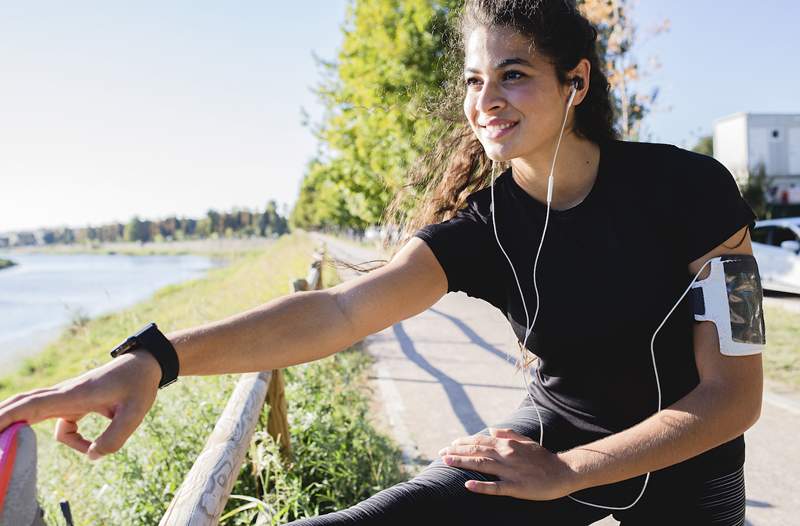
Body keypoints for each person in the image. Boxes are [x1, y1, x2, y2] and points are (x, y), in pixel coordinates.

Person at [0, 1, 763, 524]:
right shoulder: (482, 228)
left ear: (578, 82)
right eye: (473, 79)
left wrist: (572, 472)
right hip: (548, 441)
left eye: (515, 73)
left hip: (685, 465)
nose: (486, 98)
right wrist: (154, 360)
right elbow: (339, 312)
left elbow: (733, 396)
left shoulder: (695, 191)